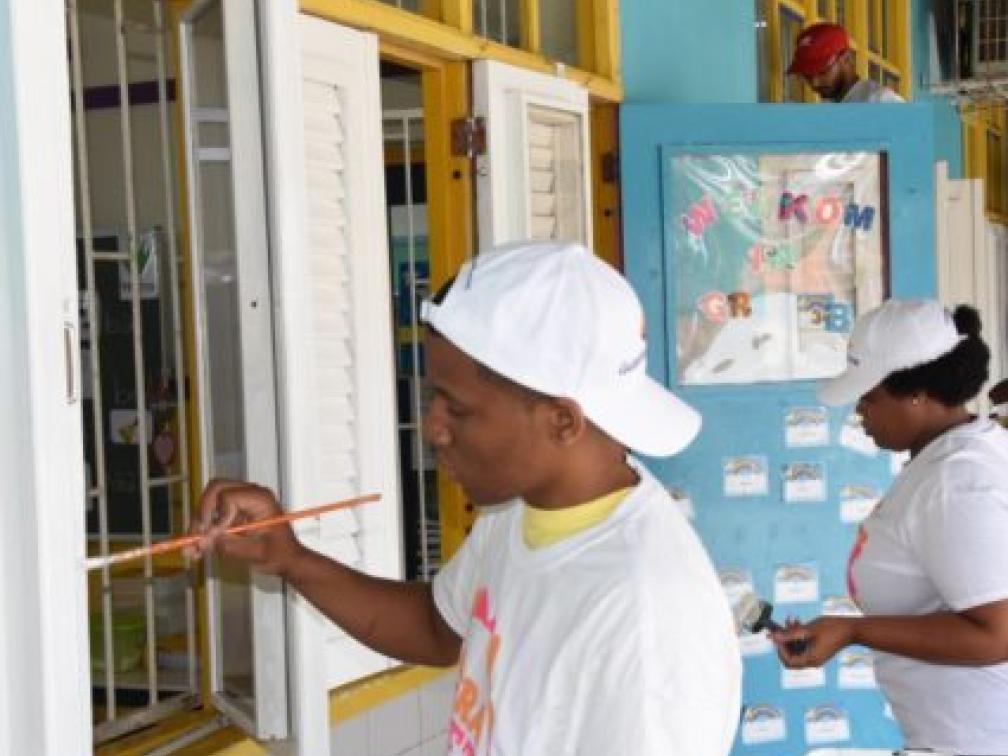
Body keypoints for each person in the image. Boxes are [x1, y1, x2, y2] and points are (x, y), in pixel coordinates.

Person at [191, 241, 742, 755]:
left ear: (561, 420)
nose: (432, 428)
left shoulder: (647, 624)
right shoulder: (524, 510)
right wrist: (289, 557)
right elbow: (436, 627)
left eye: (456, 407)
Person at [771, 299, 1008, 755]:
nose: (860, 409)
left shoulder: (956, 483)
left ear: (917, 392)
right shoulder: (949, 459)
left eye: (869, 395)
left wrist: (854, 631)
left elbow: (998, 634)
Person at [788, 22, 904, 103]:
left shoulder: (880, 101)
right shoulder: (826, 109)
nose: (815, 83)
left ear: (847, 58)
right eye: (807, 76)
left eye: (822, 72)